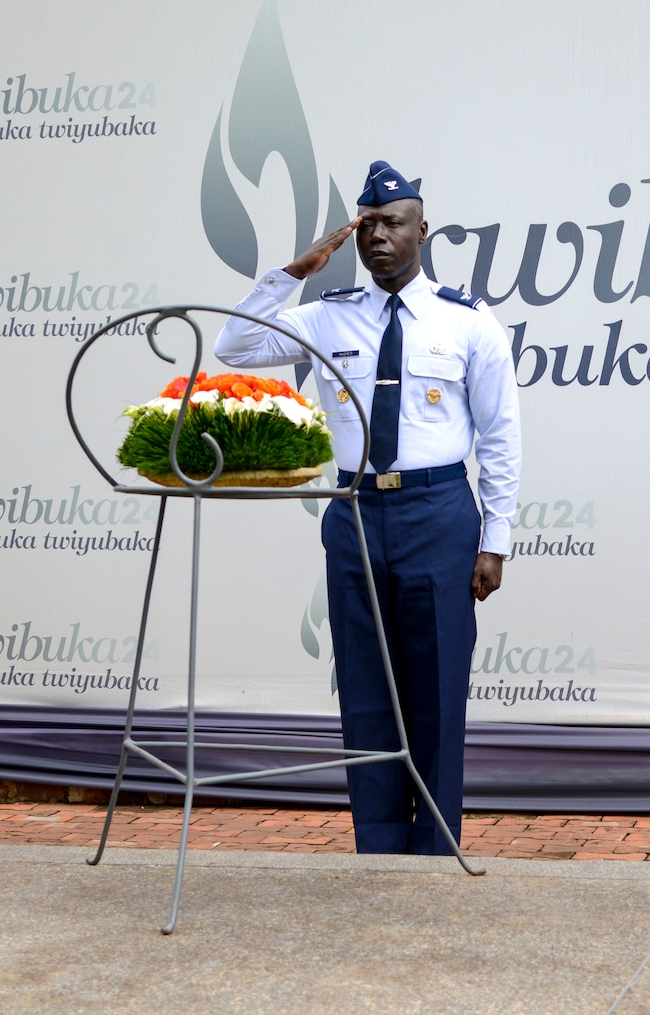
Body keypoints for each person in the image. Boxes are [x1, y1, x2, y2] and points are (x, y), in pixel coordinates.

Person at [214, 161, 522, 854]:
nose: (380, 236)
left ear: (423, 230)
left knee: (437, 692)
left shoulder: (467, 323)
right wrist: (295, 271)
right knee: (366, 689)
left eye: (394, 223)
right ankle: (378, 854)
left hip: (438, 509)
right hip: (353, 513)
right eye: (368, 225)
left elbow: (501, 436)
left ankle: (436, 850)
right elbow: (233, 344)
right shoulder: (328, 315)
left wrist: (494, 539)